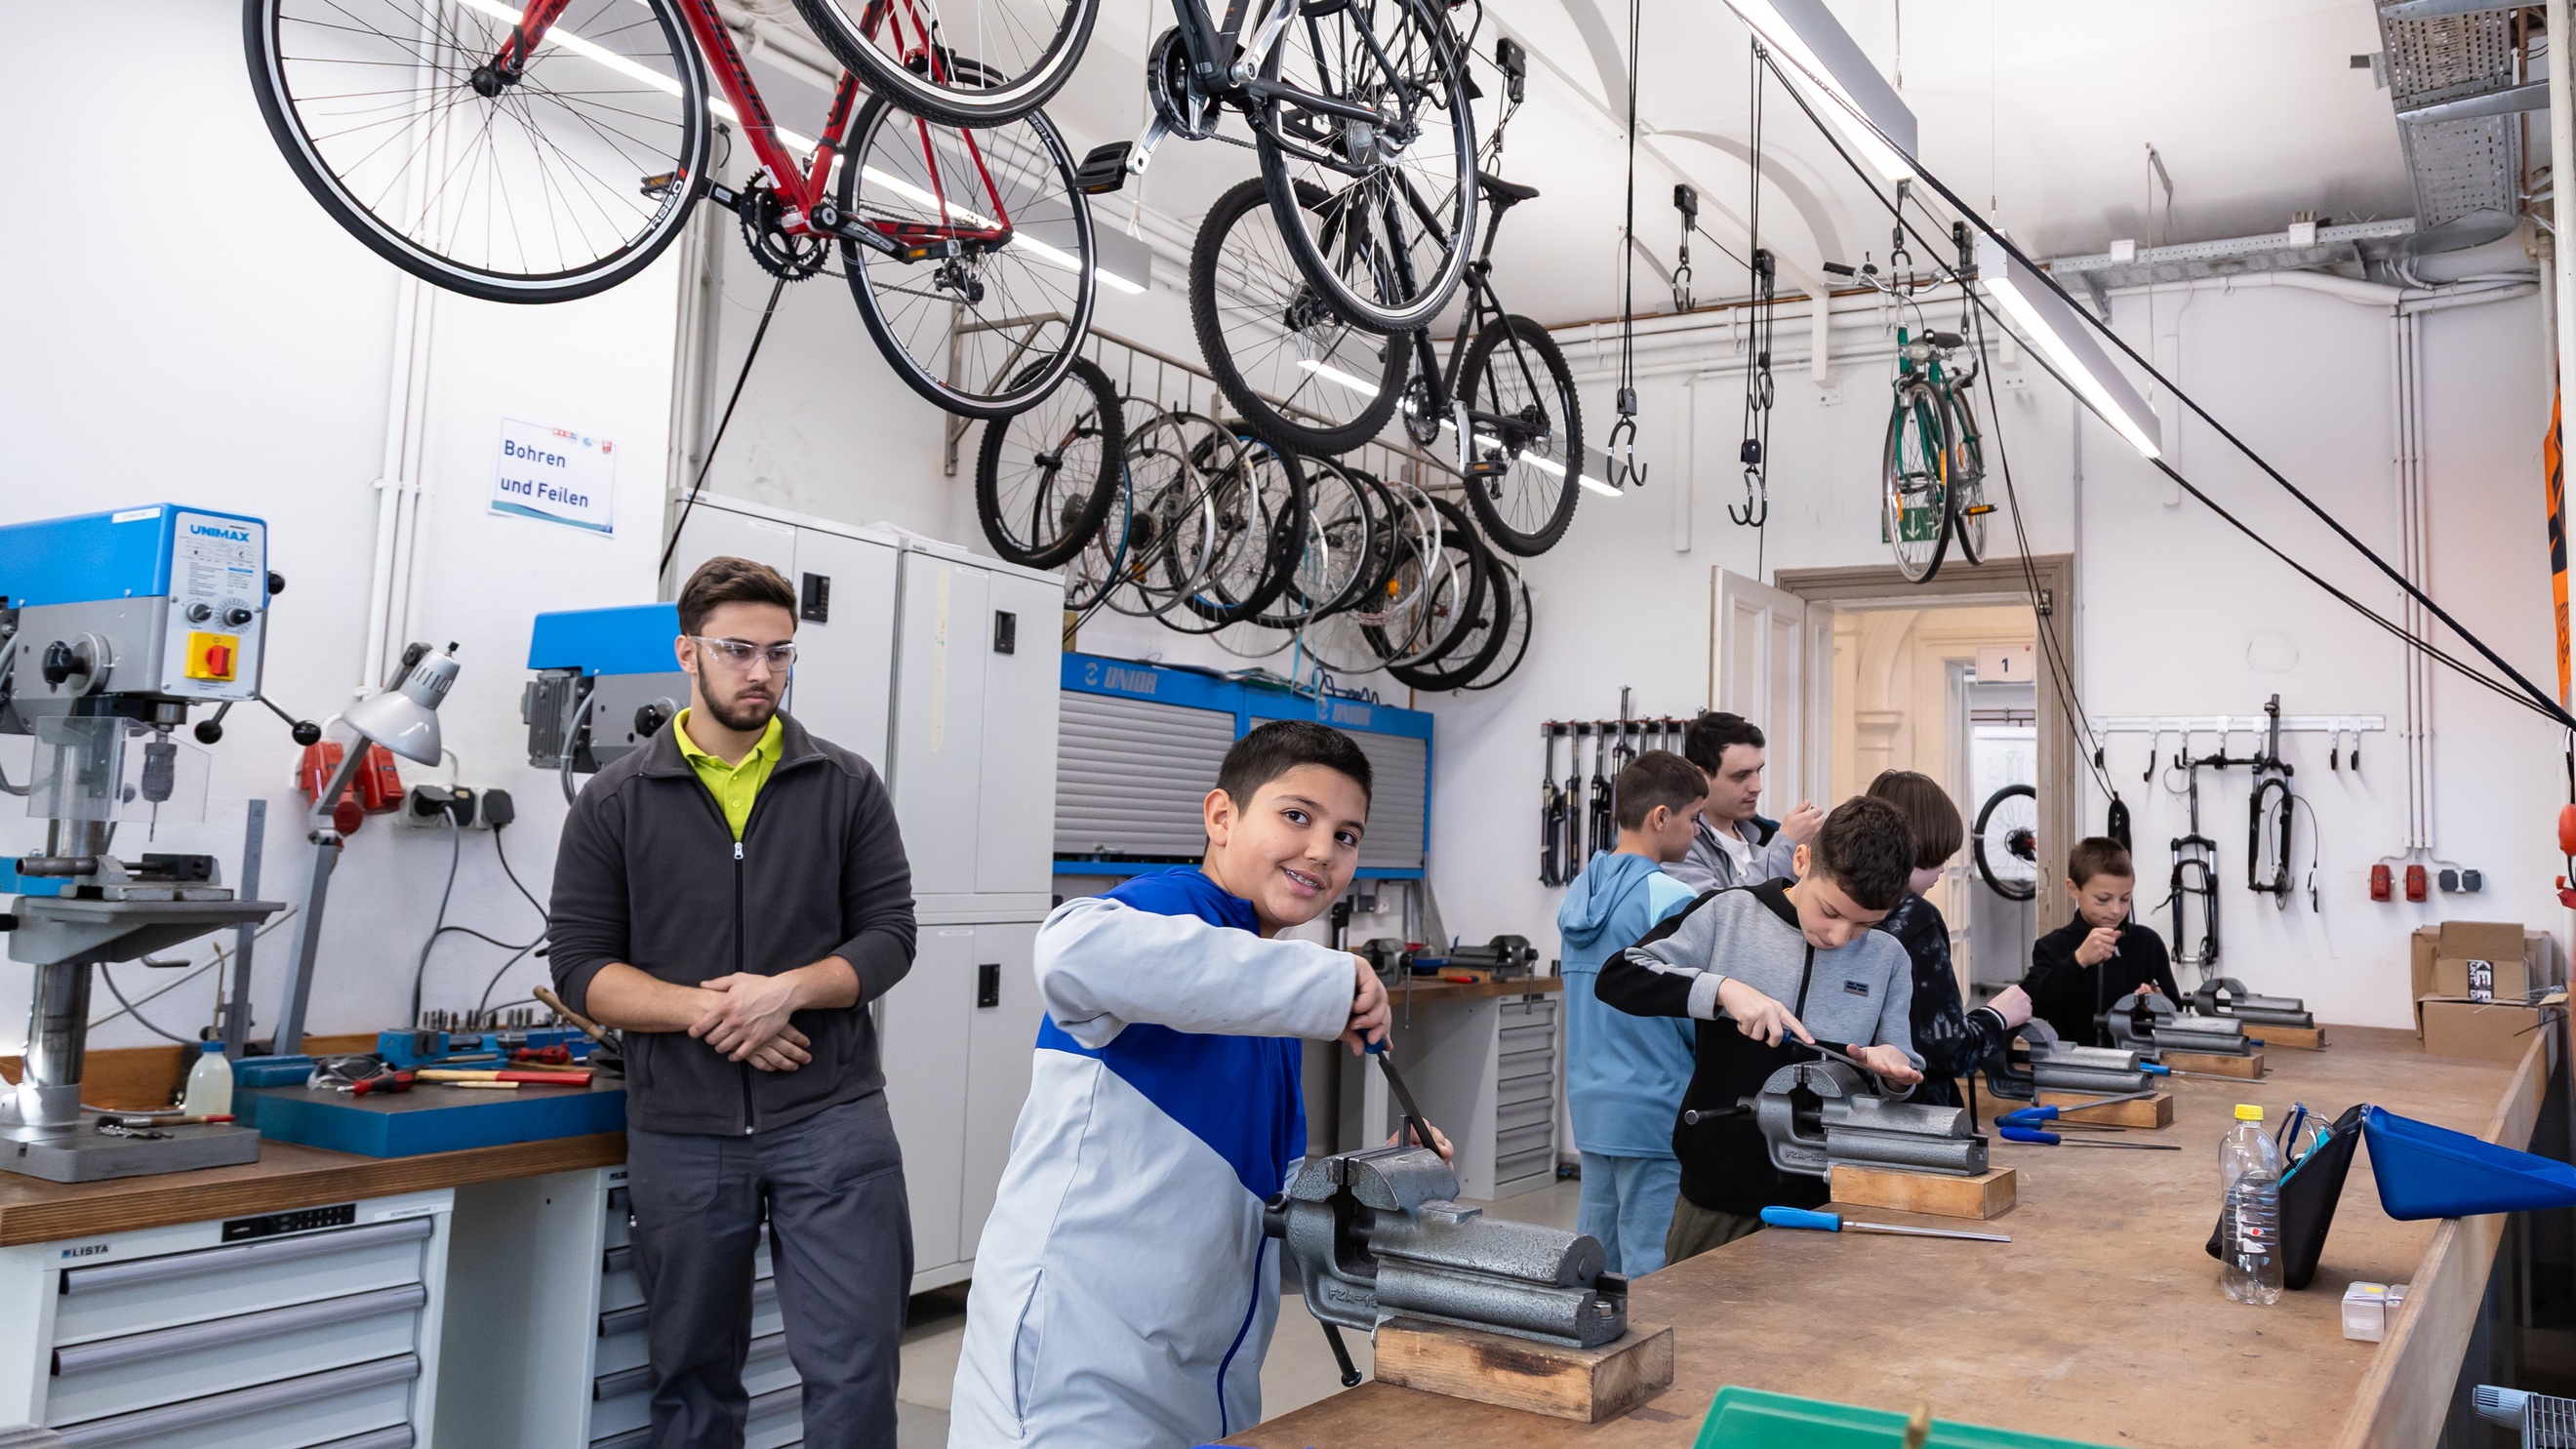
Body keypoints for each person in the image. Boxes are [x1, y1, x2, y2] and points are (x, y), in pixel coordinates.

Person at [948, 720, 1441, 1449]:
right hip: (1078, 1376)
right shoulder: (1169, 909)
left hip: (1202, 1381)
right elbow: (1068, 948)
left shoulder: (1261, 996)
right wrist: (1324, 981)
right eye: (1296, 816)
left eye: (1346, 835)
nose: (1321, 850)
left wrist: (1375, 1188)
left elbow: (1256, 1212)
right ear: (1221, 817)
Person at [547, 556, 919, 1449]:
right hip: (683, 1128)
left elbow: (890, 937)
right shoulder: (614, 801)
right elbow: (579, 967)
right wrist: (713, 1011)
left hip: (831, 1118)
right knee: (692, 1380)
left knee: (856, 1370)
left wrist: (786, 991)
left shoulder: (845, 784)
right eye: (738, 650)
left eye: (779, 652)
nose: (762, 671)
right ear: (688, 652)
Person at [1596, 795, 1923, 1266]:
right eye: (1830, 912)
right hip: (1717, 1194)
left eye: (1863, 925)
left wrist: (1893, 1073)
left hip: (1829, 1201)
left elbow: (1901, 1066)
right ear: (1801, 860)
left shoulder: (1888, 958)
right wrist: (1723, 990)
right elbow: (1619, 976)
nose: (1839, 937)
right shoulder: (1728, 914)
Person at [1556, 750, 1708, 1276]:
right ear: (1661, 817)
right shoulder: (1671, 898)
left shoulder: (1581, 892)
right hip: (1655, 1106)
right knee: (1654, 1267)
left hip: (1593, 1106)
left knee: (1595, 1262)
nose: (1696, 832)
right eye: (1693, 819)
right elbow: (1692, 1008)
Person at [1862, 771, 2033, 1107]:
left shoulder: (1849, 907)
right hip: (1915, 1112)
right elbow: (1951, 1051)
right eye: (1940, 856)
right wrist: (1998, 1016)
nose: (1943, 870)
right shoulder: (1917, 920)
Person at [2023, 837, 2181, 1047]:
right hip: (2070, 1063)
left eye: (2125, 899)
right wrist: (2078, 960)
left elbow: (2176, 1012)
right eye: (2103, 899)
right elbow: (2030, 1006)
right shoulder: (2052, 946)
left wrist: (2156, 1003)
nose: (2116, 910)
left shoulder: (2147, 943)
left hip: (2136, 1061)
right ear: (2073, 889)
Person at [1668, 711, 1823, 894]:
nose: (1757, 787)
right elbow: (1719, 909)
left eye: (1758, 771)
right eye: (1740, 776)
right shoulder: (1679, 847)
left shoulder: (1768, 832)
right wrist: (1785, 846)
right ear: (1701, 776)